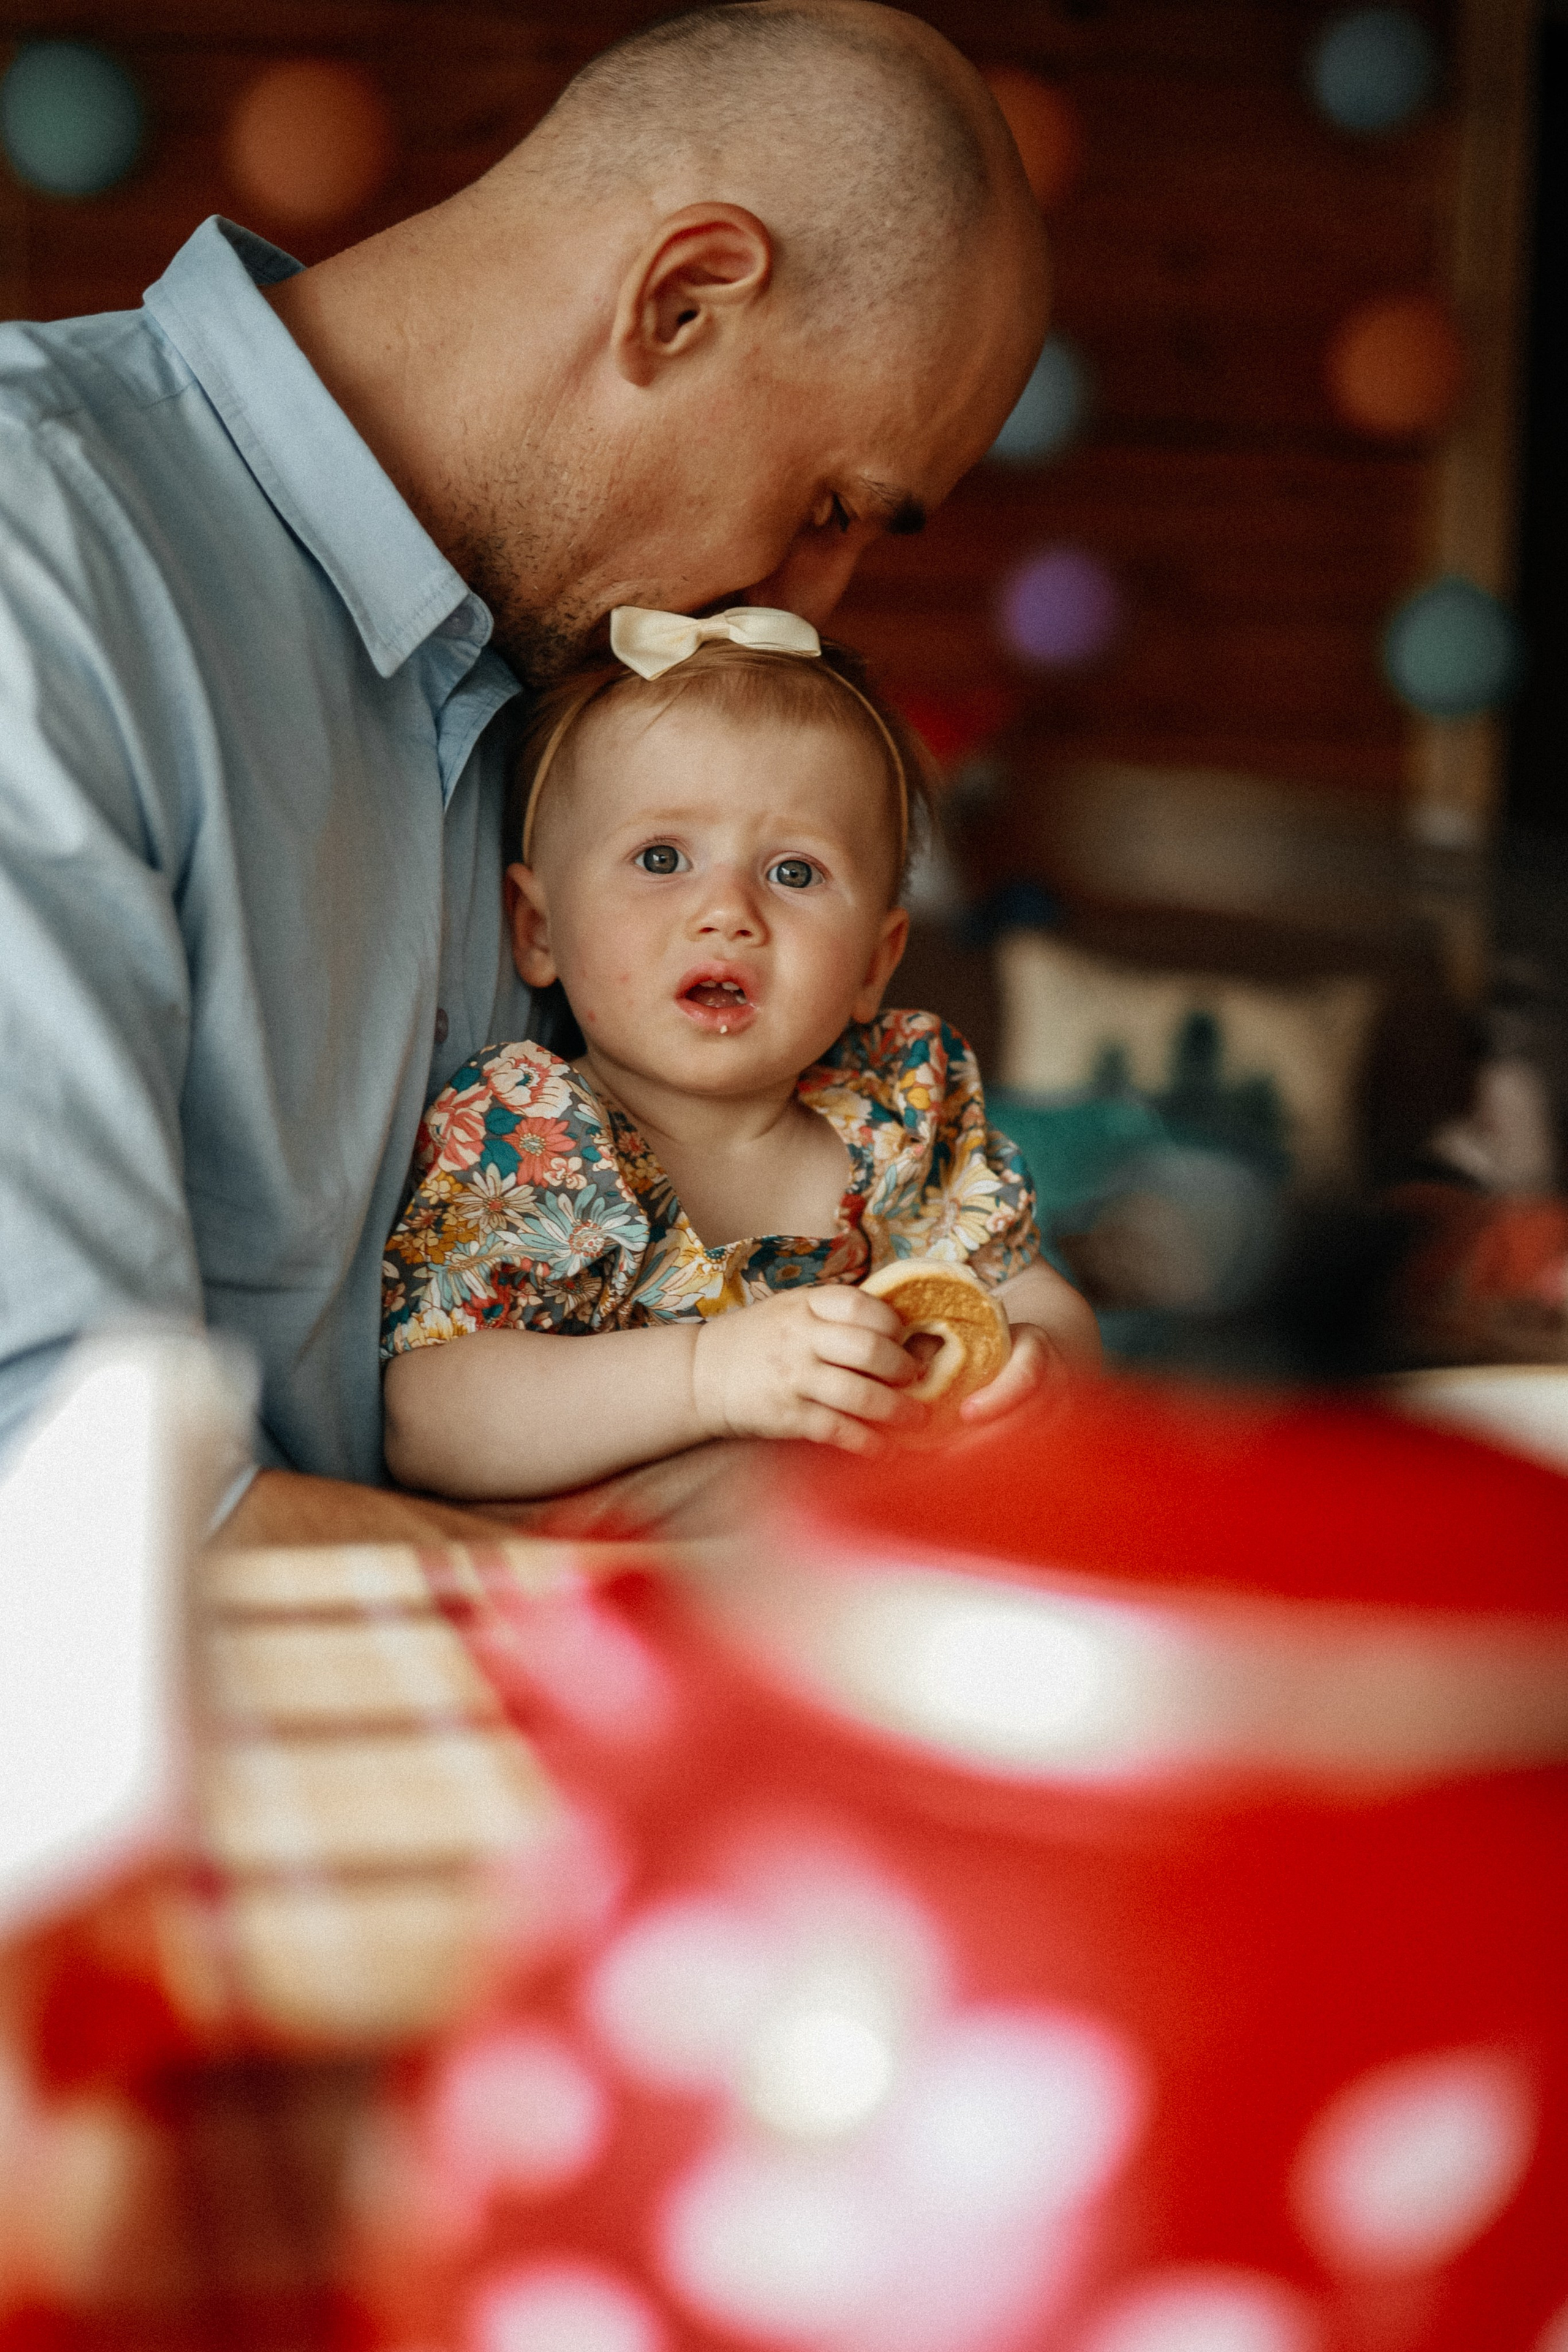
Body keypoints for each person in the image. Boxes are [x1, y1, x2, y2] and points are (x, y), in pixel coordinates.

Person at [0, 1, 1049, 1547]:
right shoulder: (43, 566)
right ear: (682, 299)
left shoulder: (582, 693)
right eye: (829, 503)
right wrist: (707, 1617)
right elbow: (63, 1507)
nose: (805, 611)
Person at [380, 610, 1099, 1499]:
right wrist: (707, 1376)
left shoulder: (899, 1117)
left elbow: (1024, 1288)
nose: (727, 910)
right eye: (661, 857)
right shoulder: (531, 1135)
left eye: (793, 872)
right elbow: (431, 1417)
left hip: (843, 1575)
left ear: (876, 964)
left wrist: (1044, 1361)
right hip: (603, 1596)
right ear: (539, 931)